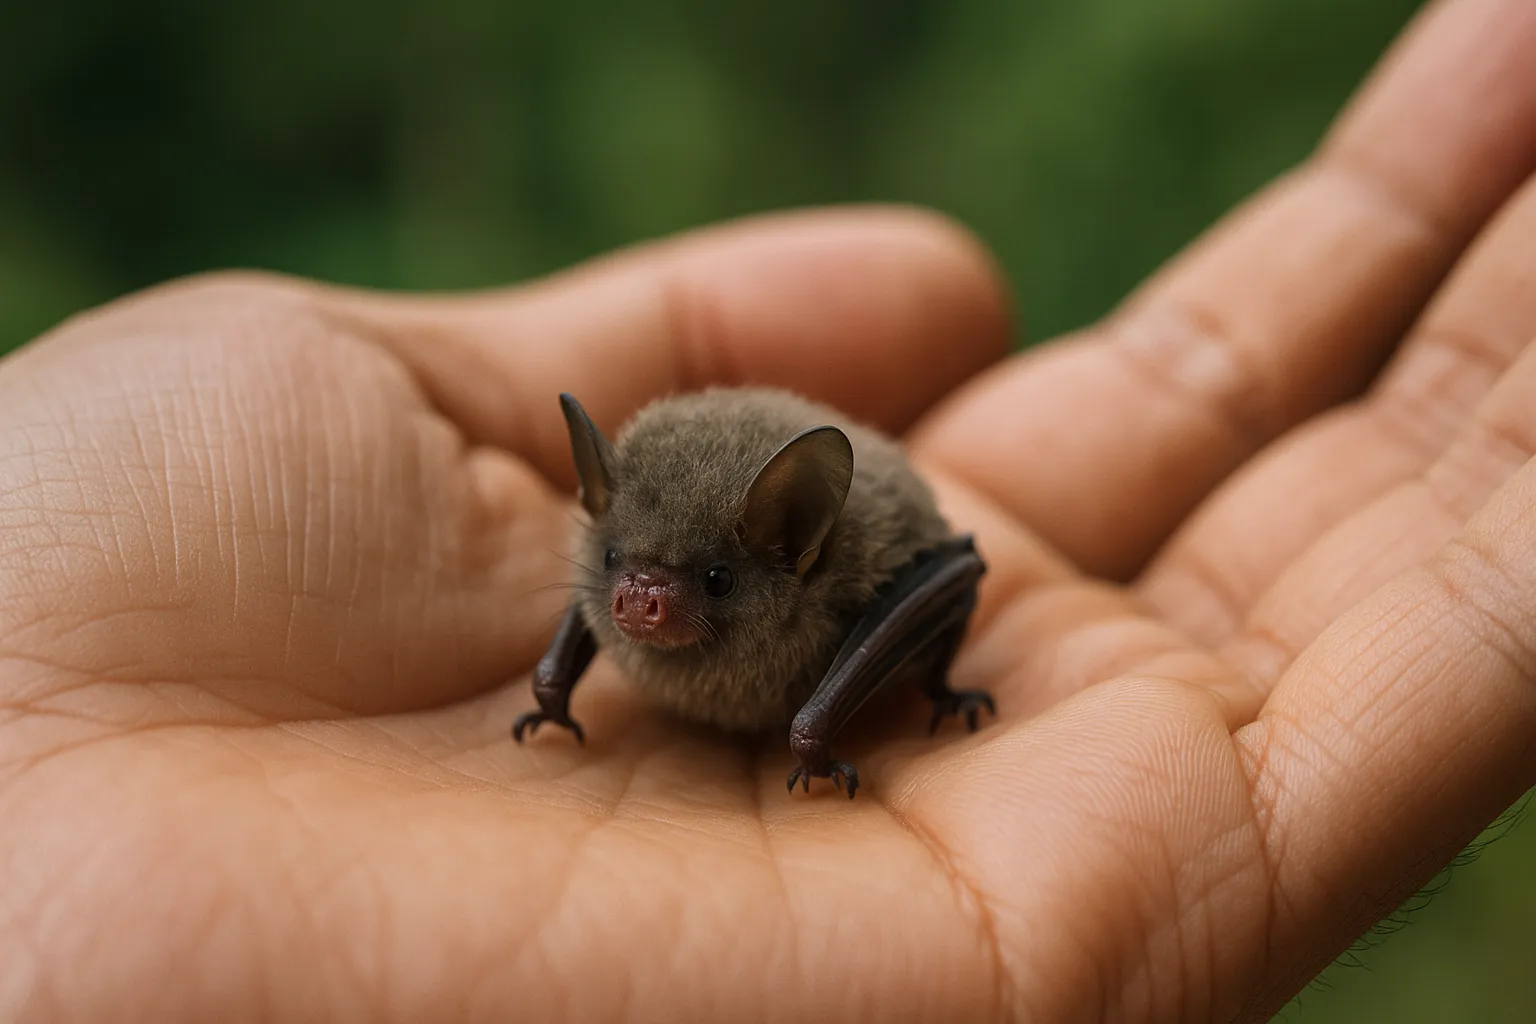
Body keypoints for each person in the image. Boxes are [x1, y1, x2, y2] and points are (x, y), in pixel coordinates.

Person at [3, 0, 1534, 1018]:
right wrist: (560, 673)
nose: (650, 607)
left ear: (782, 560)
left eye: (689, 589)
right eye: (626, 582)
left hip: (876, 587)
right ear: (599, 546)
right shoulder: (617, 585)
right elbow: (621, 590)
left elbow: (953, 563)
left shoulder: (823, 570)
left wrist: (846, 712)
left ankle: (853, 702)